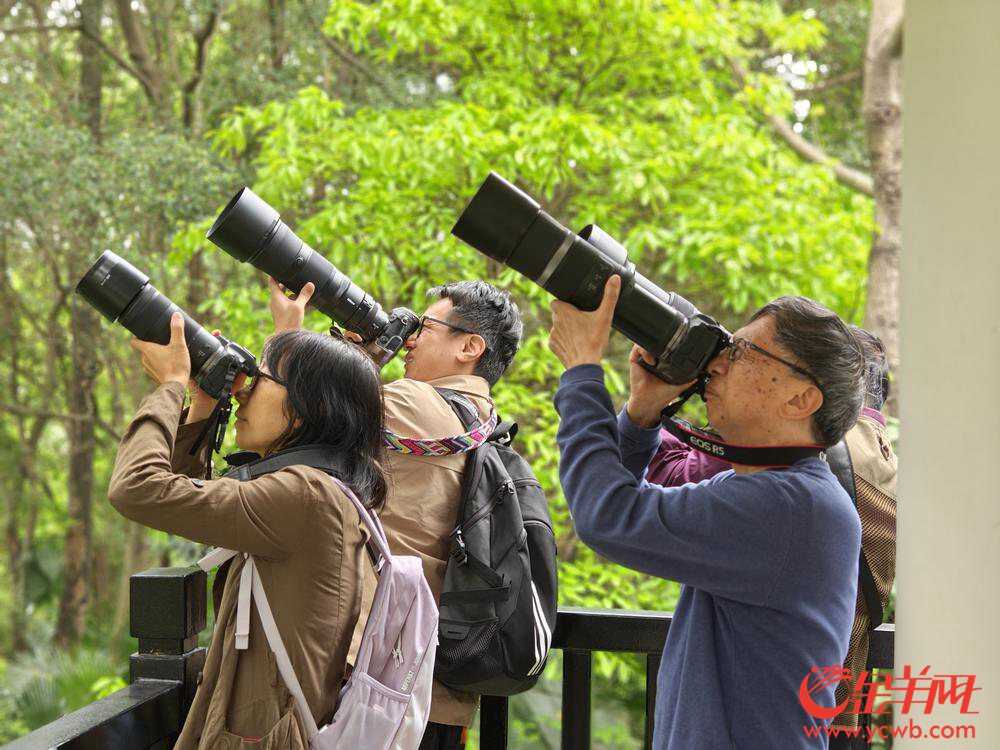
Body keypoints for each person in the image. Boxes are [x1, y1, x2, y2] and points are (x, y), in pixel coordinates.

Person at [549, 275, 865, 748]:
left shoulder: (791, 508)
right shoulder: (766, 489)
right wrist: (641, 413)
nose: (715, 364)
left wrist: (582, 371)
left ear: (801, 399)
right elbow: (613, 505)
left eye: (740, 354)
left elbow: (608, 517)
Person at [107, 313, 387, 749]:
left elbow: (137, 489)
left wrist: (172, 384)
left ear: (310, 405)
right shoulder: (324, 491)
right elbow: (192, 498)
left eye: (259, 382)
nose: (242, 395)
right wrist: (202, 405)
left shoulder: (305, 495)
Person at [270, 278, 523, 750]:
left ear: (469, 346)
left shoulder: (413, 402)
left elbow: (285, 426)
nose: (408, 338)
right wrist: (362, 365)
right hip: (432, 691)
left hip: (374, 687)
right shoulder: (481, 420)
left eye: (425, 327)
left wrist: (288, 340)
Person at [632, 324, 898, 747]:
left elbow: (663, 486)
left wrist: (650, 410)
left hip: (766, 701)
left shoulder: (796, 455)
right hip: (843, 704)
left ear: (814, 389)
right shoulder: (889, 464)